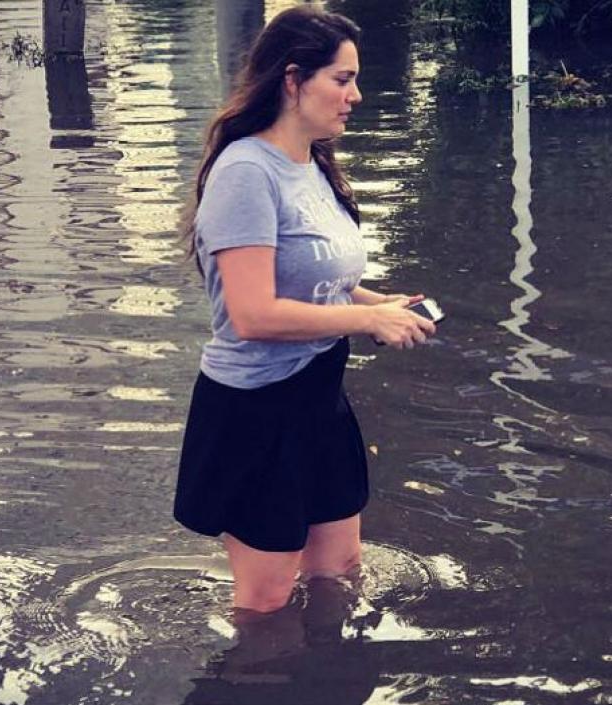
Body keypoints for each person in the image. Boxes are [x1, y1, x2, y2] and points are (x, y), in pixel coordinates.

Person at [173, 6, 436, 617]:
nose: (356, 95)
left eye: (354, 79)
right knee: (266, 602)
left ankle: (325, 676)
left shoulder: (313, 162)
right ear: (293, 80)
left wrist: (380, 303)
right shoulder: (245, 173)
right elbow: (253, 314)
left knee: (339, 574)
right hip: (256, 412)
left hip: (320, 397)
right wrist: (366, 321)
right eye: (341, 80)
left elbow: (320, 281)